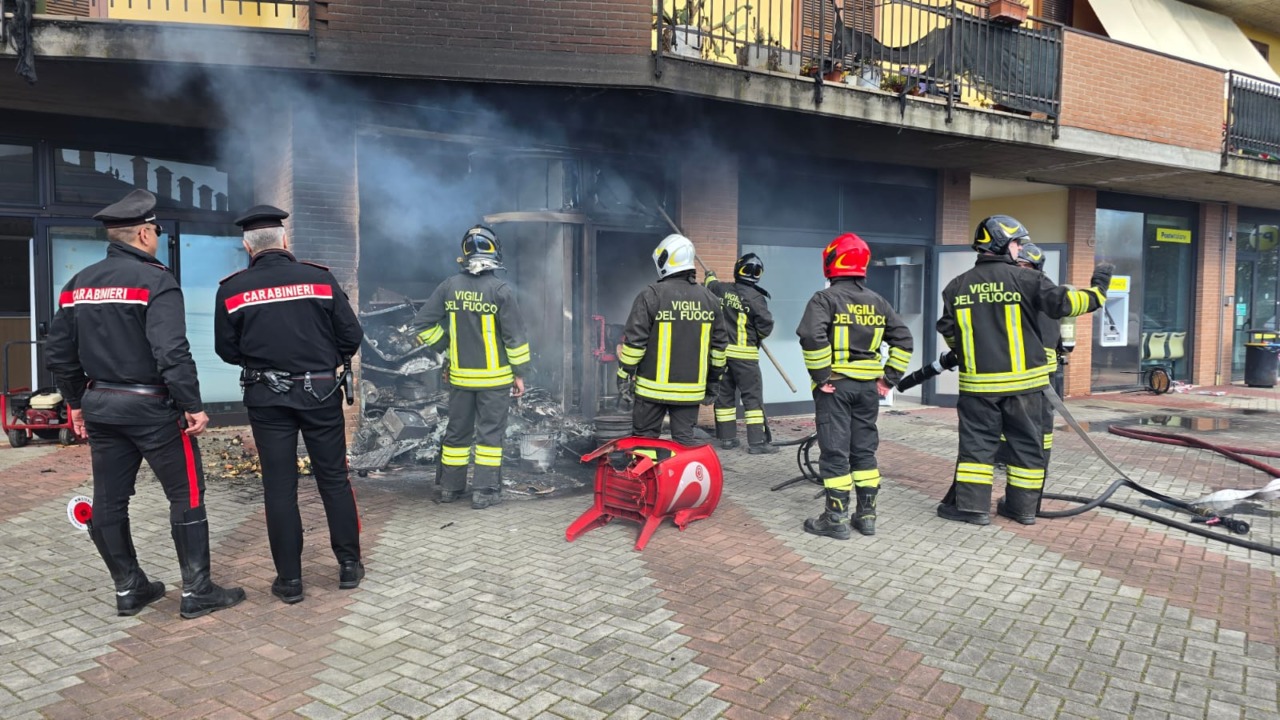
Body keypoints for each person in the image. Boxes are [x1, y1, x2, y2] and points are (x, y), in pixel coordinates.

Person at [45, 189, 245, 619]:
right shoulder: (156, 280)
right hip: (151, 407)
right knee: (186, 492)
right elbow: (171, 349)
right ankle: (197, 592)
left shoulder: (77, 284)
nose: (156, 237)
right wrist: (192, 403)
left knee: (109, 499)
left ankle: (129, 587)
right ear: (142, 234)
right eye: (154, 230)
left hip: (100, 404)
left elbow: (58, 354)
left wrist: (78, 402)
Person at [214, 205, 365, 604]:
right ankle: (349, 567)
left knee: (279, 488)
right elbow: (351, 335)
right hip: (319, 394)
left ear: (248, 247)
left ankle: (290, 581)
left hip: (267, 398)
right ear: (285, 241)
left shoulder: (231, 289)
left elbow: (225, 350)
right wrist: (320, 358)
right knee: (333, 479)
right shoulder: (319, 278)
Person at [937, 215, 1112, 525]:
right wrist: (1099, 289)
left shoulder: (956, 286)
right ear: (1003, 243)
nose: (1020, 249)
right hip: (1026, 388)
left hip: (978, 388)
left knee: (977, 449)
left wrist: (966, 353)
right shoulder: (1028, 280)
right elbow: (1069, 304)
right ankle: (1022, 509)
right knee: (1026, 449)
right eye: (1018, 243)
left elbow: (950, 332)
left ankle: (972, 509)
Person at [796, 233, 913, 539]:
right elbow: (904, 340)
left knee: (835, 451)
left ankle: (834, 519)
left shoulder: (824, 299)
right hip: (867, 391)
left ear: (832, 261)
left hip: (835, 388)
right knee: (863, 451)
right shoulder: (878, 301)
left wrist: (821, 376)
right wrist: (888, 379)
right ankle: (867, 517)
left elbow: (811, 336)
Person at [410, 225, 530, 510]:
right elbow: (515, 338)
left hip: (460, 379)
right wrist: (520, 374)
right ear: (494, 251)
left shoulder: (449, 286)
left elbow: (422, 324)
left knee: (457, 433)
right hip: (495, 380)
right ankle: (484, 492)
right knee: (489, 435)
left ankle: (450, 489)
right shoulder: (501, 290)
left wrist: (447, 348)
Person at [616, 233, 728, 446]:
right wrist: (713, 383)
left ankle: (647, 479)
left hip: (650, 392)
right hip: (690, 393)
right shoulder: (710, 300)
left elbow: (634, 345)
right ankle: (678, 479)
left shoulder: (651, 296)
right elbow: (719, 350)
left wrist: (623, 376)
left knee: (644, 443)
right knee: (684, 444)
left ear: (665, 260)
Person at [705, 253, 777, 454]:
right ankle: (757, 443)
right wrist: (757, 337)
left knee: (724, 397)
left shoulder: (721, 289)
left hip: (721, 355)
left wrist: (710, 275)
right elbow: (766, 326)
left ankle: (727, 439)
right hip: (745, 357)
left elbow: (710, 284)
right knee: (752, 398)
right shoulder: (756, 298)